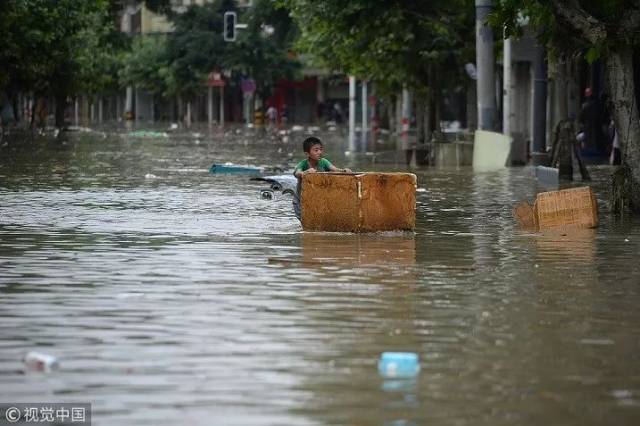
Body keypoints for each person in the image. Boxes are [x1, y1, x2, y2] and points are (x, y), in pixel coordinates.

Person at [292, 136, 352, 220]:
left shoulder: (323, 162)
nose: (319, 152)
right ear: (307, 154)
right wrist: (305, 173)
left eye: (320, 149)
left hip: (316, 200)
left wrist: (344, 171)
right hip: (301, 201)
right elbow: (296, 173)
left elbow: (335, 170)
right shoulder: (303, 164)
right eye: (316, 150)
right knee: (305, 223)